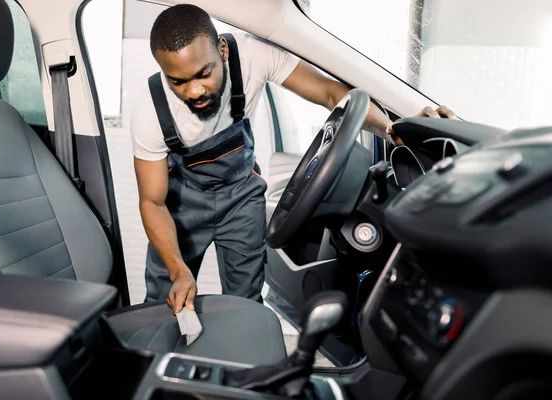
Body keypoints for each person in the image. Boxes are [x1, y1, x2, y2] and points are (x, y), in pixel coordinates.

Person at [130, 4, 455, 314]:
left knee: (245, 302)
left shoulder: (253, 57)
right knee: (163, 302)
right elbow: (153, 202)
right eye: (178, 81)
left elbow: (329, 93)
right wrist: (178, 271)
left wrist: (390, 128)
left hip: (242, 196)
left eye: (204, 74)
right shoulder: (150, 111)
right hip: (181, 206)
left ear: (223, 53)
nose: (195, 91)